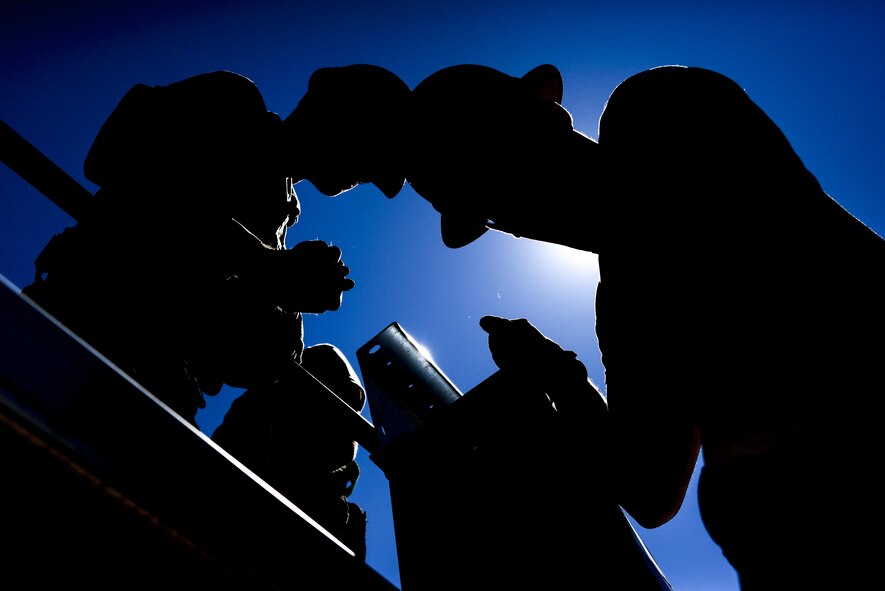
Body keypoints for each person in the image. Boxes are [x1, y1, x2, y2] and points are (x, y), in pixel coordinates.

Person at [404, 63, 884, 589]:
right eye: (491, 214)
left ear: (547, 118)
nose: (514, 220)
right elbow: (650, 490)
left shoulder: (654, 111)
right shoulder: (623, 305)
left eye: (493, 182)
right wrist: (560, 377)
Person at [22, 65, 410, 558]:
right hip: (80, 335)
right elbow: (112, 157)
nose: (366, 175)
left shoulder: (283, 215)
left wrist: (287, 311)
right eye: (371, 151)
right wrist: (268, 268)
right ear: (339, 116)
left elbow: (231, 355)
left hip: (157, 391)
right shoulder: (232, 104)